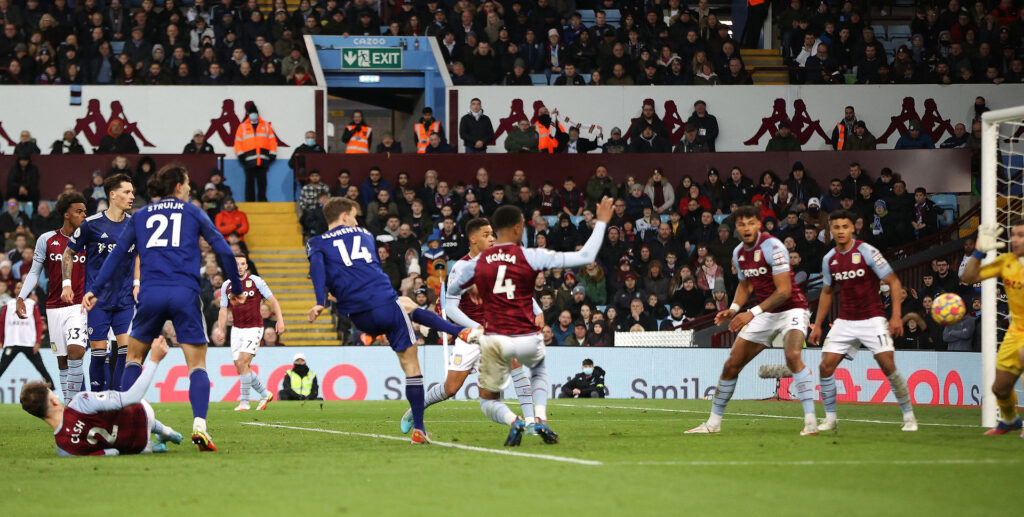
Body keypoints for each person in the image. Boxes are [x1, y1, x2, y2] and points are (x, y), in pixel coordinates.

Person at [83, 165, 246, 452]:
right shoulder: (193, 211)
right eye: (187, 185)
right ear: (178, 186)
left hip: (151, 294)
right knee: (196, 363)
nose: (189, 190)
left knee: (133, 358)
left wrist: (94, 289)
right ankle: (199, 424)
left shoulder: (141, 215)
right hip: (185, 293)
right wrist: (238, 287)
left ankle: (126, 424)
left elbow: (118, 255)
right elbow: (222, 249)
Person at [306, 197, 481, 444]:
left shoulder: (315, 243)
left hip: (359, 317)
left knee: (405, 305)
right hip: (383, 303)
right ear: (345, 216)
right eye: (354, 216)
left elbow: (318, 272)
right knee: (410, 358)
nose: (357, 220)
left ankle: (460, 331)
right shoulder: (365, 234)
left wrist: (320, 302)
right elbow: (372, 268)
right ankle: (419, 427)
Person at [456, 198, 612, 446]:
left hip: (496, 339)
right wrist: (602, 222)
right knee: (538, 371)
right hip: (528, 337)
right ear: (519, 227)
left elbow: (454, 287)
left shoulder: (478, 262)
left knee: (487, 401)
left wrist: (472, 286)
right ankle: (539, 418)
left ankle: (513, 419)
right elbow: (586, 255)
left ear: (496, 229)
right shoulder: (531, 255)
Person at [401, 217, 540, 434]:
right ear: (473, 239)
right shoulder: (461, 267)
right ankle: (416, 408)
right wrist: (474, 328)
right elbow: (453, 308)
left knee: (515, 363)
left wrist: (537, 311)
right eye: (487, 235)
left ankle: (531, 422)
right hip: (470, 335)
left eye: (493, 234)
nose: (493, 239)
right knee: (451, 388)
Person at [687, 205, 816, 435]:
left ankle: (811, 421)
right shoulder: (738, 253)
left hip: (792, 309)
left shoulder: (773, 246)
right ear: (736, 228)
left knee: (793, 355)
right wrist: (735, 308)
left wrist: (751, 312)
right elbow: (745, 284)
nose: (746, 228)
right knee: (731, 364)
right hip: (765, 313)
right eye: (741, 224)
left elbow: (785, 291)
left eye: (750, 223)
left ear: (758, 224)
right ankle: (713, 424)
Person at [808, 210, 918, 432]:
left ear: (853, 229)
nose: (840, 231)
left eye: (845, 227)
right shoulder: (829, 259)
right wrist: (818, 324)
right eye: (836, 227)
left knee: (887, 365)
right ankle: (830, 418)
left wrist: (895, 316)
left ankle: (909, 416)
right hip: (845, 321)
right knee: (825, 367)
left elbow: (894, 282)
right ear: (830, 230)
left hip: (872, 319)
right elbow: (827, 292)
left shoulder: (867, 252)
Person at [19, 336, 183, 456]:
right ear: (54, 401)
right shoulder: (79, 403)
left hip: (135, 446)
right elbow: (132, 398)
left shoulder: (63, 449)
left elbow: (110, 453)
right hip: (143, 415)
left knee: (118, 437)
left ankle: (152, 446)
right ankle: (164, 431)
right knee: (125, 401)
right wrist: (154, 359)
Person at [63, 175, 138, 393]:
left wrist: (137, 282)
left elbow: (140, 255)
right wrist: (67, 284)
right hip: (98, 301)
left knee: (127, 351)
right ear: (113, 195)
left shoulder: (134, 225)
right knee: (98, 353)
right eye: (127, 192)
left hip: (124, 299)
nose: (131, 196)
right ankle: (98, 400)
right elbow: (68, 253)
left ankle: (119, 399)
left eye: (132, 192)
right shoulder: (91, 224)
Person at [17, 192, 88, 405]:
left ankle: (75, 407)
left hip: (78, 305)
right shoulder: (46, 240)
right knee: (63, 361)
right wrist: (21, 297)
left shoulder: (89, 240)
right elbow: (34, 272)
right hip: (54, 307)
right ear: (66, 214)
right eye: (79, 211)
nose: (84, 215)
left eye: (85, 211)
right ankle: (69, 408)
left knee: (77, 351)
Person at [961, 222, 1024, 435]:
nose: (1014, 239)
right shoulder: (1006, 262)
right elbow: (967, 278)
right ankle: (1010, 420)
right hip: (1016, 332)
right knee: (999, 388)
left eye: (1021, 235)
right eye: (1013, 235)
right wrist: (978, 252)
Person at [213, 255, 284, 411]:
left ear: (246, 266)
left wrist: (280, 320)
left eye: (243, 264)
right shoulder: (227, 285)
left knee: (243, 363)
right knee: (240, 366)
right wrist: (221, 329)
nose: (240, 267)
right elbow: (223, 309)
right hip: (237, 330)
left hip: (254, 328)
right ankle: (265, 394)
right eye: (237, 264)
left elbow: (273, 301)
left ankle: (244, 402)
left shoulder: (255, 281)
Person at [0, 293, 54, 388]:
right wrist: (0, 340)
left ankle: (52, 387)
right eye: (17, 287)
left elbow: (38, 323)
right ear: (15, 290)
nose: (19, 289)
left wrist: (38, 342)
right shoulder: (9, 304)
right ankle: (51, 385)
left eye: (22, 287)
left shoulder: (31, 304)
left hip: (29, 342)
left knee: (41, 367)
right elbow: (1, 323)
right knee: (1, 367)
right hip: (12, 341)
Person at [233, 102, 277, 202]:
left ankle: (262, 199)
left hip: (263, 159)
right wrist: (240, 154)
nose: (253, 115)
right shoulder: (243, 126)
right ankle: (250, 200)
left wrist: (273, 154)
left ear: (257, 114)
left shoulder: (266, 125)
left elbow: (272, 140)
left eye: (255, 113)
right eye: (251, 113)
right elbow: (238, 142)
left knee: (262, 182)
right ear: (248, 114)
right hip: (248, 160)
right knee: (249, 182)